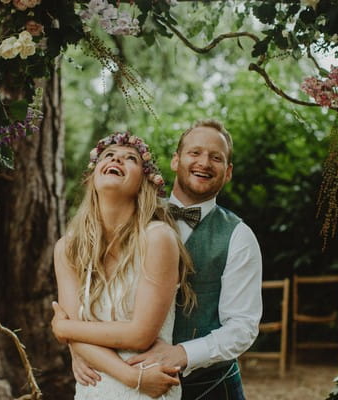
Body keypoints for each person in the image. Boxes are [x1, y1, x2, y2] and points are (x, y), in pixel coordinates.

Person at [70, 119, 263, 399]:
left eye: (216, 158)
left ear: (228, 172)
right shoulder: (131, 218)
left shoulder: (239, 236)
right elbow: (92, 292)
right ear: (176, 161)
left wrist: (183, 353)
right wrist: (79, 348)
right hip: (130, 384)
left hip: (209, 386)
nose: (204, 163)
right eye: (194, 153)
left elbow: (243, 327)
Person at [51, 131, 196, 399]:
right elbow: (78, 340)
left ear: (144, 181)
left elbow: (140, 334)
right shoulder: (67, 248)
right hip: (94, 388)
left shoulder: (157, 238)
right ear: (93, 176)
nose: (117, 158)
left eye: (130, 158)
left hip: (150, 389)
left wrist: (64, 329)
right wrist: (132, 377)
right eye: (109, 155)